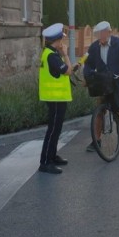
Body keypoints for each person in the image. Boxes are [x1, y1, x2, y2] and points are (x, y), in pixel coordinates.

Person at [83, 21, 119, 152]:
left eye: (102, 33)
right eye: (98, 34)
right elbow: (89, 64)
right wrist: (87, 78)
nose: (100, 36)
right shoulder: (94, 48)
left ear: (109, 32)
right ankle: (96, 140)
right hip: (103, 81)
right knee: (99, 111)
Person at [38, 23, 72, 174]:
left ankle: (52, 156)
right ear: (57, 41)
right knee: (53, 130)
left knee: (56, 129)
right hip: (55, 98)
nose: (63, 43)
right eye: (61, 40)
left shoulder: (49, 53)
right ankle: (45, 162)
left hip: (55, 97)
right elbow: (68, 71)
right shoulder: (52, 56)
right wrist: (65, 54)